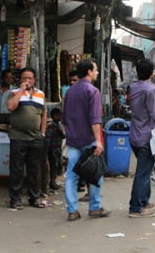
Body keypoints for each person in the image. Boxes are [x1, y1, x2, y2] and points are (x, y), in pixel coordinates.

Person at [62, 59, 110, 221]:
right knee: (96, 173)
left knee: (71, 175)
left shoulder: (69, 91)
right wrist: (98, 141)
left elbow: (64, 118)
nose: (96, 72)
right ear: (89, 71)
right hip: (89, 139)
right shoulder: (92, 91)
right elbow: (94, 119)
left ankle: (72, 210)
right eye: (95, 69)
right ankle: (95, 207)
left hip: (73, 139)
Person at [128, 58, 155, 218]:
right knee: (143, 173)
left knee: (145, 170)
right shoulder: (150, 90)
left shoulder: (133, 87)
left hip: (135, 134)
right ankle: (136, 207)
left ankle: (144, 201)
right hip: (147, 136)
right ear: (151, 73)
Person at [5, 67, 47, 210]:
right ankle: (15, 199)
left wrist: (42, 133)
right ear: (20, 80)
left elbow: (43, 114)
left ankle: (34, 197)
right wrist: (21, 91)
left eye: (30, 78)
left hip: (35, 138)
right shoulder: (14, 93)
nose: (27, 81)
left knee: (34, 169)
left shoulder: (40, 94)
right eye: (24, 78)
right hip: (18, 137)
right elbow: (11, 107)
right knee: (16, 169)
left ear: (34, 80)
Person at [45, 108, 64, 190]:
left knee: (58, 166)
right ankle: (52, 182)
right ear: (52, 116)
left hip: (58, 149)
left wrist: (60, 131)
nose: (58, 117)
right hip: (53, 150)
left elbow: (63, 136)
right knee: (54, 166)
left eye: (59, 115)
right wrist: (48, 151)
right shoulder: (50, 127)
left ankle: (54, 181)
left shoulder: (59, 126)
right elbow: (48, 140)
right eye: (56, 115)